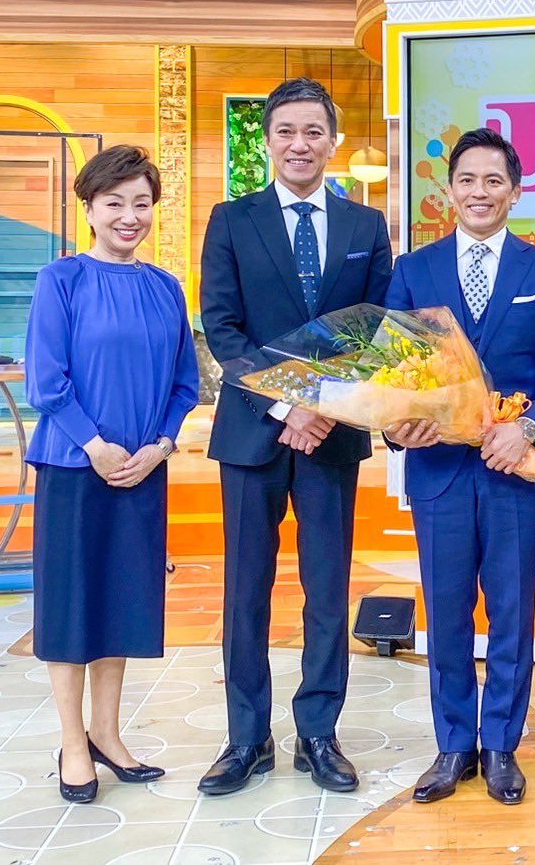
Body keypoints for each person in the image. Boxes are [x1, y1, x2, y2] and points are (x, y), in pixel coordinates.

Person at [198, 77, 393, 795]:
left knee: (326, 590)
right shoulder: (231, 219)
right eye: (286, 131)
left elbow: (376, 331)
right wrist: (289, 406)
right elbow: (222, 328)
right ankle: (246, 739)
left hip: (332, 437)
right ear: (268, 141)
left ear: (332, 141)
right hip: (254, 433)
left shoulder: (365, 226)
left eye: (314, 131)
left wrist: (326, 406)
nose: (300, 144)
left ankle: (318, 734)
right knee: (245, 592)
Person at [385, 128, 535, 806]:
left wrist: (526, 429)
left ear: (515, 192)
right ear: (449, 190)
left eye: (493, 181)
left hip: (512, 472)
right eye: (467, 179)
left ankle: (500, 744)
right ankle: (452, 746)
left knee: (511, 610)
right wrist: (396, 421)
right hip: (437, 470)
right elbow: (391, 370)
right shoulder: (413, 270)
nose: (479, 192)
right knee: (445, 611)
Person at [25, 144, 199, 803]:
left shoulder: (165, 288)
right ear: (90, 209)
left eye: (141, 203)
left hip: (142, 469)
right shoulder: (61, 280)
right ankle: (73, 742)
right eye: (115, 203)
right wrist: (95, 446)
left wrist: (161, 446)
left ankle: (107, 731)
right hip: (75, 466)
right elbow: (47, 380)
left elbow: (184, 384)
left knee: (124, 602)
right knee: (71, 606)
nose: (130, 216)